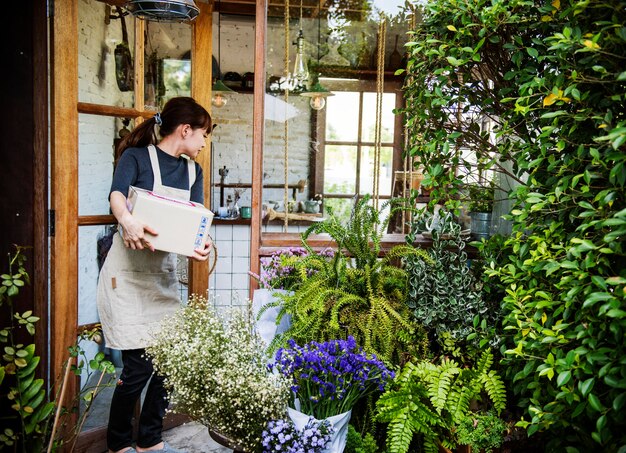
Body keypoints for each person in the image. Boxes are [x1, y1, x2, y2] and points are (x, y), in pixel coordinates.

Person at [97, 97, 214, 453]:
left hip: (160, 277)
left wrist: (203, 242)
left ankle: (149, 438)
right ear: (185, 130)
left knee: (169, 364)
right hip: (127, 278)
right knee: (136, 369)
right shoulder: (136, 158)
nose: (204, 143)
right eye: (204, 135)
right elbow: (117, 196)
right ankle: (118, 442)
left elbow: (195, 222)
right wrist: (127, 219)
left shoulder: (194, 172)